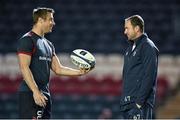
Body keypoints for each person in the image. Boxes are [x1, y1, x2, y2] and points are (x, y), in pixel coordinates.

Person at [17, 7, 90, 119]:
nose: (53, 23)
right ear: (41, 20)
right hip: (30, 94)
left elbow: (58, 69)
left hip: (45, 95)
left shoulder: (49, 44)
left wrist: (79, 72)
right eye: (50, 19)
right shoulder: (27, 40)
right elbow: (24, 68)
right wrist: (35, 91)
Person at [120, 15, 159, 119]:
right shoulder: (129, 49)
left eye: (127, 28)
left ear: (137, 28)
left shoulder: (147, 46)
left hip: (139, 105)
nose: (125, 32)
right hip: (127, 105)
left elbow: (149, 76)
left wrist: (138, 104)